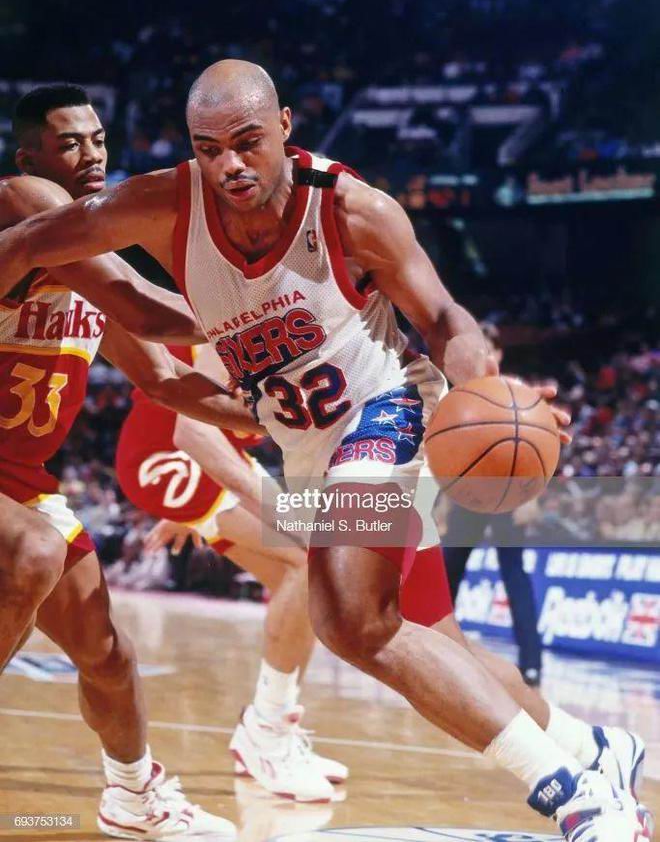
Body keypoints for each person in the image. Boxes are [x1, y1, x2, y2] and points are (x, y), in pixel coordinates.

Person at [0, 64, 651, 842]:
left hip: (386, 414)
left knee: (345, 614)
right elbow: (38, 247)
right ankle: (594, 749)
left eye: (248, 142)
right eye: (210, 149)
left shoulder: (350, 209)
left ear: (285, 125)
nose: (230, 165)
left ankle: (578, 797)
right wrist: (243, 375)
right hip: (309, 448)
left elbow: (444, 316)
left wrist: (482, 383)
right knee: (421, 632)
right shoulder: (161, 203)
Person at [0, 84, 251, 840]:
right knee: (34, 551)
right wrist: (278, 311)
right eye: (69, 142)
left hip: (20, 479)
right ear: (30, 158)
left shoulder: (86, 264)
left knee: (106, 653)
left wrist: (279, 414)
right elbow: (143, 303)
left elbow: (166, 379)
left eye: (99, 139)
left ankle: (135, 798)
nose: (91, 154)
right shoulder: (23, 202)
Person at [116, 340, 347, 802]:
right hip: (174, 453)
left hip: (210, 450)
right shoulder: (229, 318)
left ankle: (270, 730)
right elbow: (191, 431)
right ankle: (266, 731)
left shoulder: (297, 323)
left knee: (302, 583)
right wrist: (282, 513)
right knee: (308, 561)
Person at [442, 322, 544, 686]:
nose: (482, 356)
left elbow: (540, 448)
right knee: (448, 570)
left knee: (514, 574)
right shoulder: (458, 397)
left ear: (499, 353)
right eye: (477, 350)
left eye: (488, 348)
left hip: (511, 493)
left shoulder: (517, 392)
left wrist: (533, 496)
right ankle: (441, 650)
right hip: (470, 493)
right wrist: (443, 502)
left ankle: (531, 663)